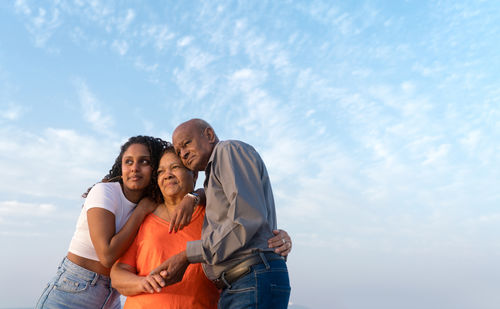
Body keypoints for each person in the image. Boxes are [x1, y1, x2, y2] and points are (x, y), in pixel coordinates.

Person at [110, 144, 292, 308]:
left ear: (195, 175)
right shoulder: (143, 217)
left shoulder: (214, 215)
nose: (168, 175)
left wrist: (279, 236)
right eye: (161, 171)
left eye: (175, 167)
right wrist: (143, 283)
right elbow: (118, 274)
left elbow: (247, 224)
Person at [35, 136, 200, 309]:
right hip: (75, 287)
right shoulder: (105, 192)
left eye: (144, 162)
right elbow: (107, 256)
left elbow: (203, 192)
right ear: (121, 168)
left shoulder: (151, 201)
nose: (135, 168)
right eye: (128, 162)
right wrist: (140, 211)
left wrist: (195, 196)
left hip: (112, 295)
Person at [150, 119, 291, 309]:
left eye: (187, 143)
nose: (183, 153)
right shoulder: (215, 174)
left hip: (252, 277)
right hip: (244, 281)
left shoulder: (228, 150)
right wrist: (193, 196)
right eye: (178, 151)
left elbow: (246, 219)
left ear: (209, 135)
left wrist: (187, 256)